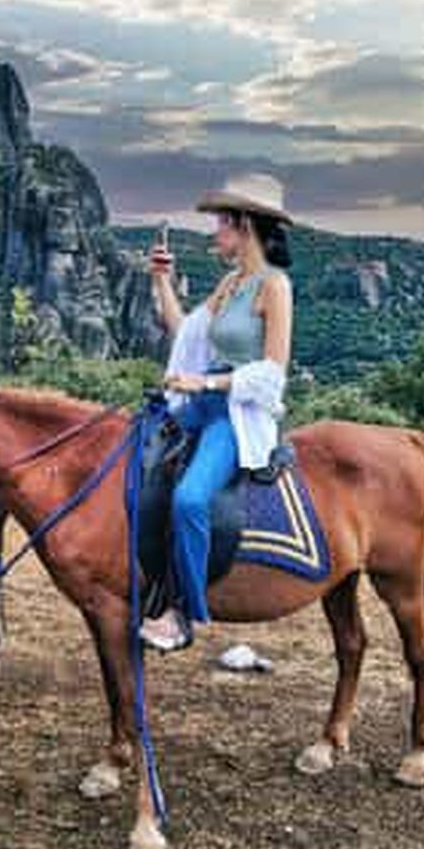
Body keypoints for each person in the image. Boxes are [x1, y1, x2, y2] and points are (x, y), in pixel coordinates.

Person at [140, 173, 294, 653]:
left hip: (235, 413)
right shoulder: (231, 283)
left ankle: (184, 611)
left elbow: (273, 372)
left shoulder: (274, 286)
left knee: (190, 500)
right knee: (132, 458)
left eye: (221, 223)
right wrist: (161, 281)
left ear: (244, 225)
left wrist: (206, 382)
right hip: (200, 404)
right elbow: (185, 332)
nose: (215, 233)